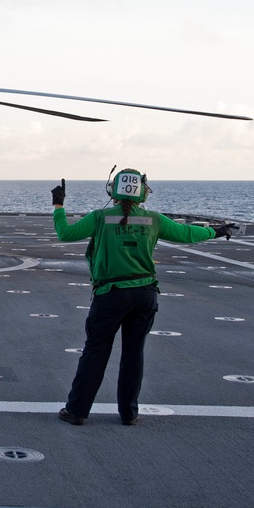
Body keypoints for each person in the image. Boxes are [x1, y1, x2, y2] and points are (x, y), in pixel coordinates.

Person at [51, 170, 233, 426]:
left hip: (111, 294)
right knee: (134, 353)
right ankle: (129, 413)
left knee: (95, 352)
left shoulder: (100, 217)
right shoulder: (153, 219)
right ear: (143, 192)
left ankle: (77, 411)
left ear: (112, 191)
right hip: (145, 293)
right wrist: (216, 231)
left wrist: (59, 205)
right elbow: (187, 234)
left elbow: (65, 234)